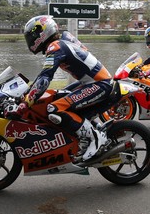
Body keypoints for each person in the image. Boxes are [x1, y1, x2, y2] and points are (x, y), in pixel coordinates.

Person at [10, 15, 113, 161]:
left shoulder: (56, 46)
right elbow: (42, 77)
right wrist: (26, 94)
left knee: (55, 109)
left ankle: (95, 138)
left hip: (99, 84)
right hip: (91, 82)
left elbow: (45, 78)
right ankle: (88, 131)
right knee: (59, 96)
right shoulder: (62, 41)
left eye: (32, 36)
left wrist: (26, 103)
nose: (30, 40)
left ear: (42, 33)